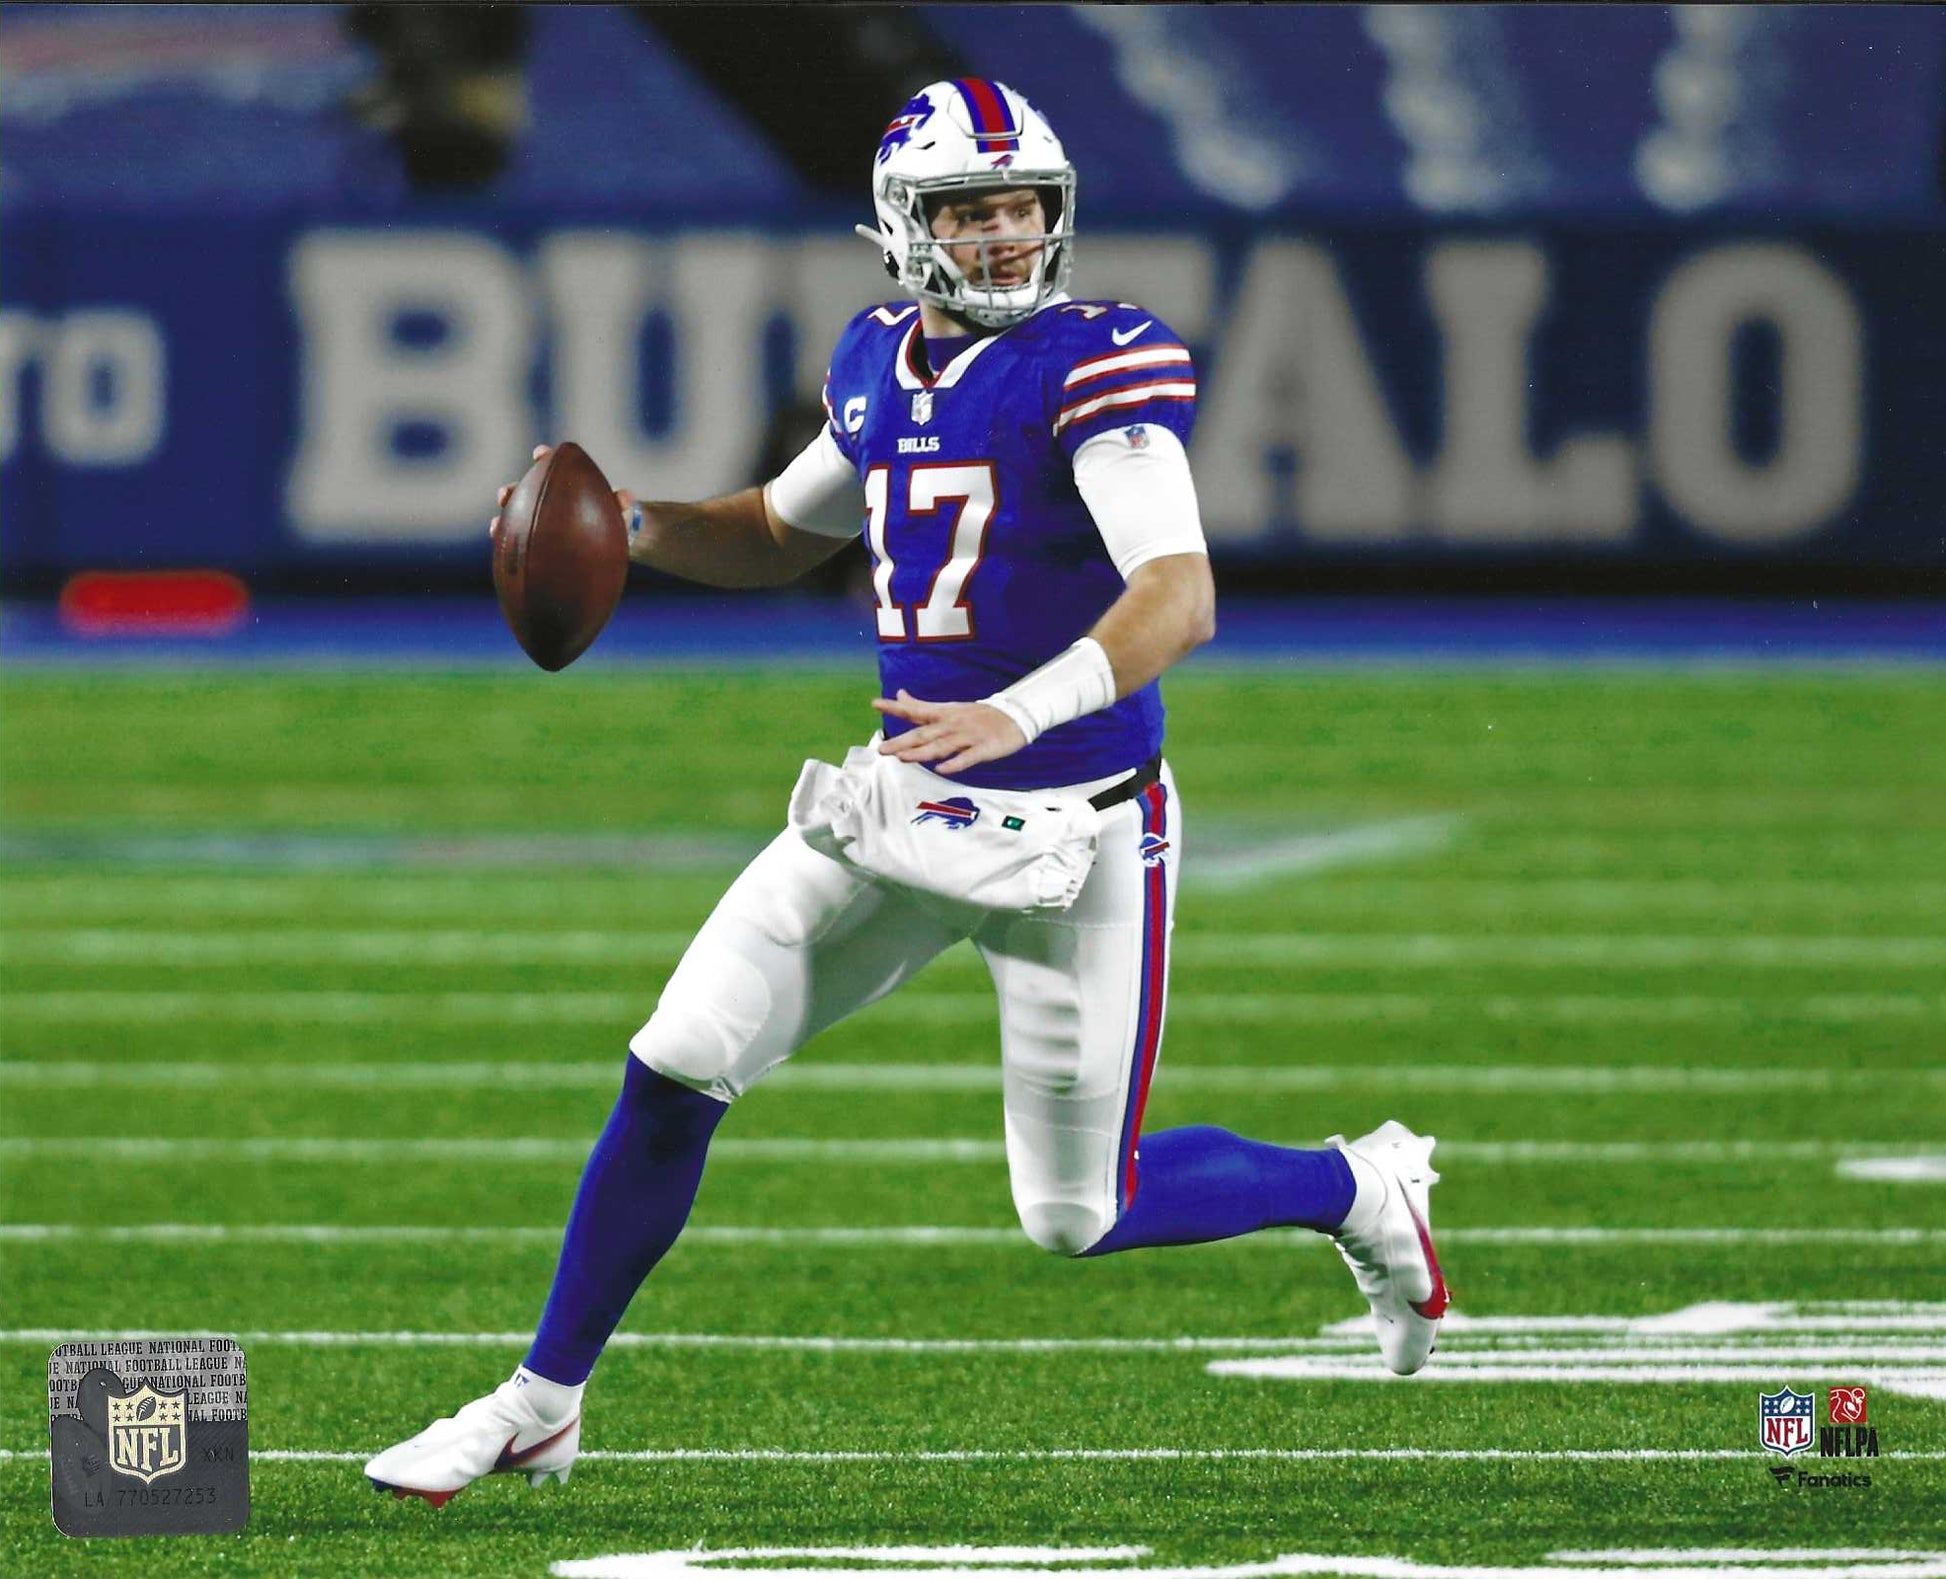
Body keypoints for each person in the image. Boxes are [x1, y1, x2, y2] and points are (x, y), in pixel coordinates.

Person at [364, 77, 1448, 1508]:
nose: (1002, 236)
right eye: (967, 210)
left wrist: (1017, 708)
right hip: (899, 803)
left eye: (1019, 208)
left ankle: (1354, 1189)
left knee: (1081, 1213)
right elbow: (773, 530)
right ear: (900, 226)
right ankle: (539, 1404)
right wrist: (624, 528)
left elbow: (1175, 596)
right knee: (678, 1063)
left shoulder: (1094, 362)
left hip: (1076, 828)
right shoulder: (879, 360)